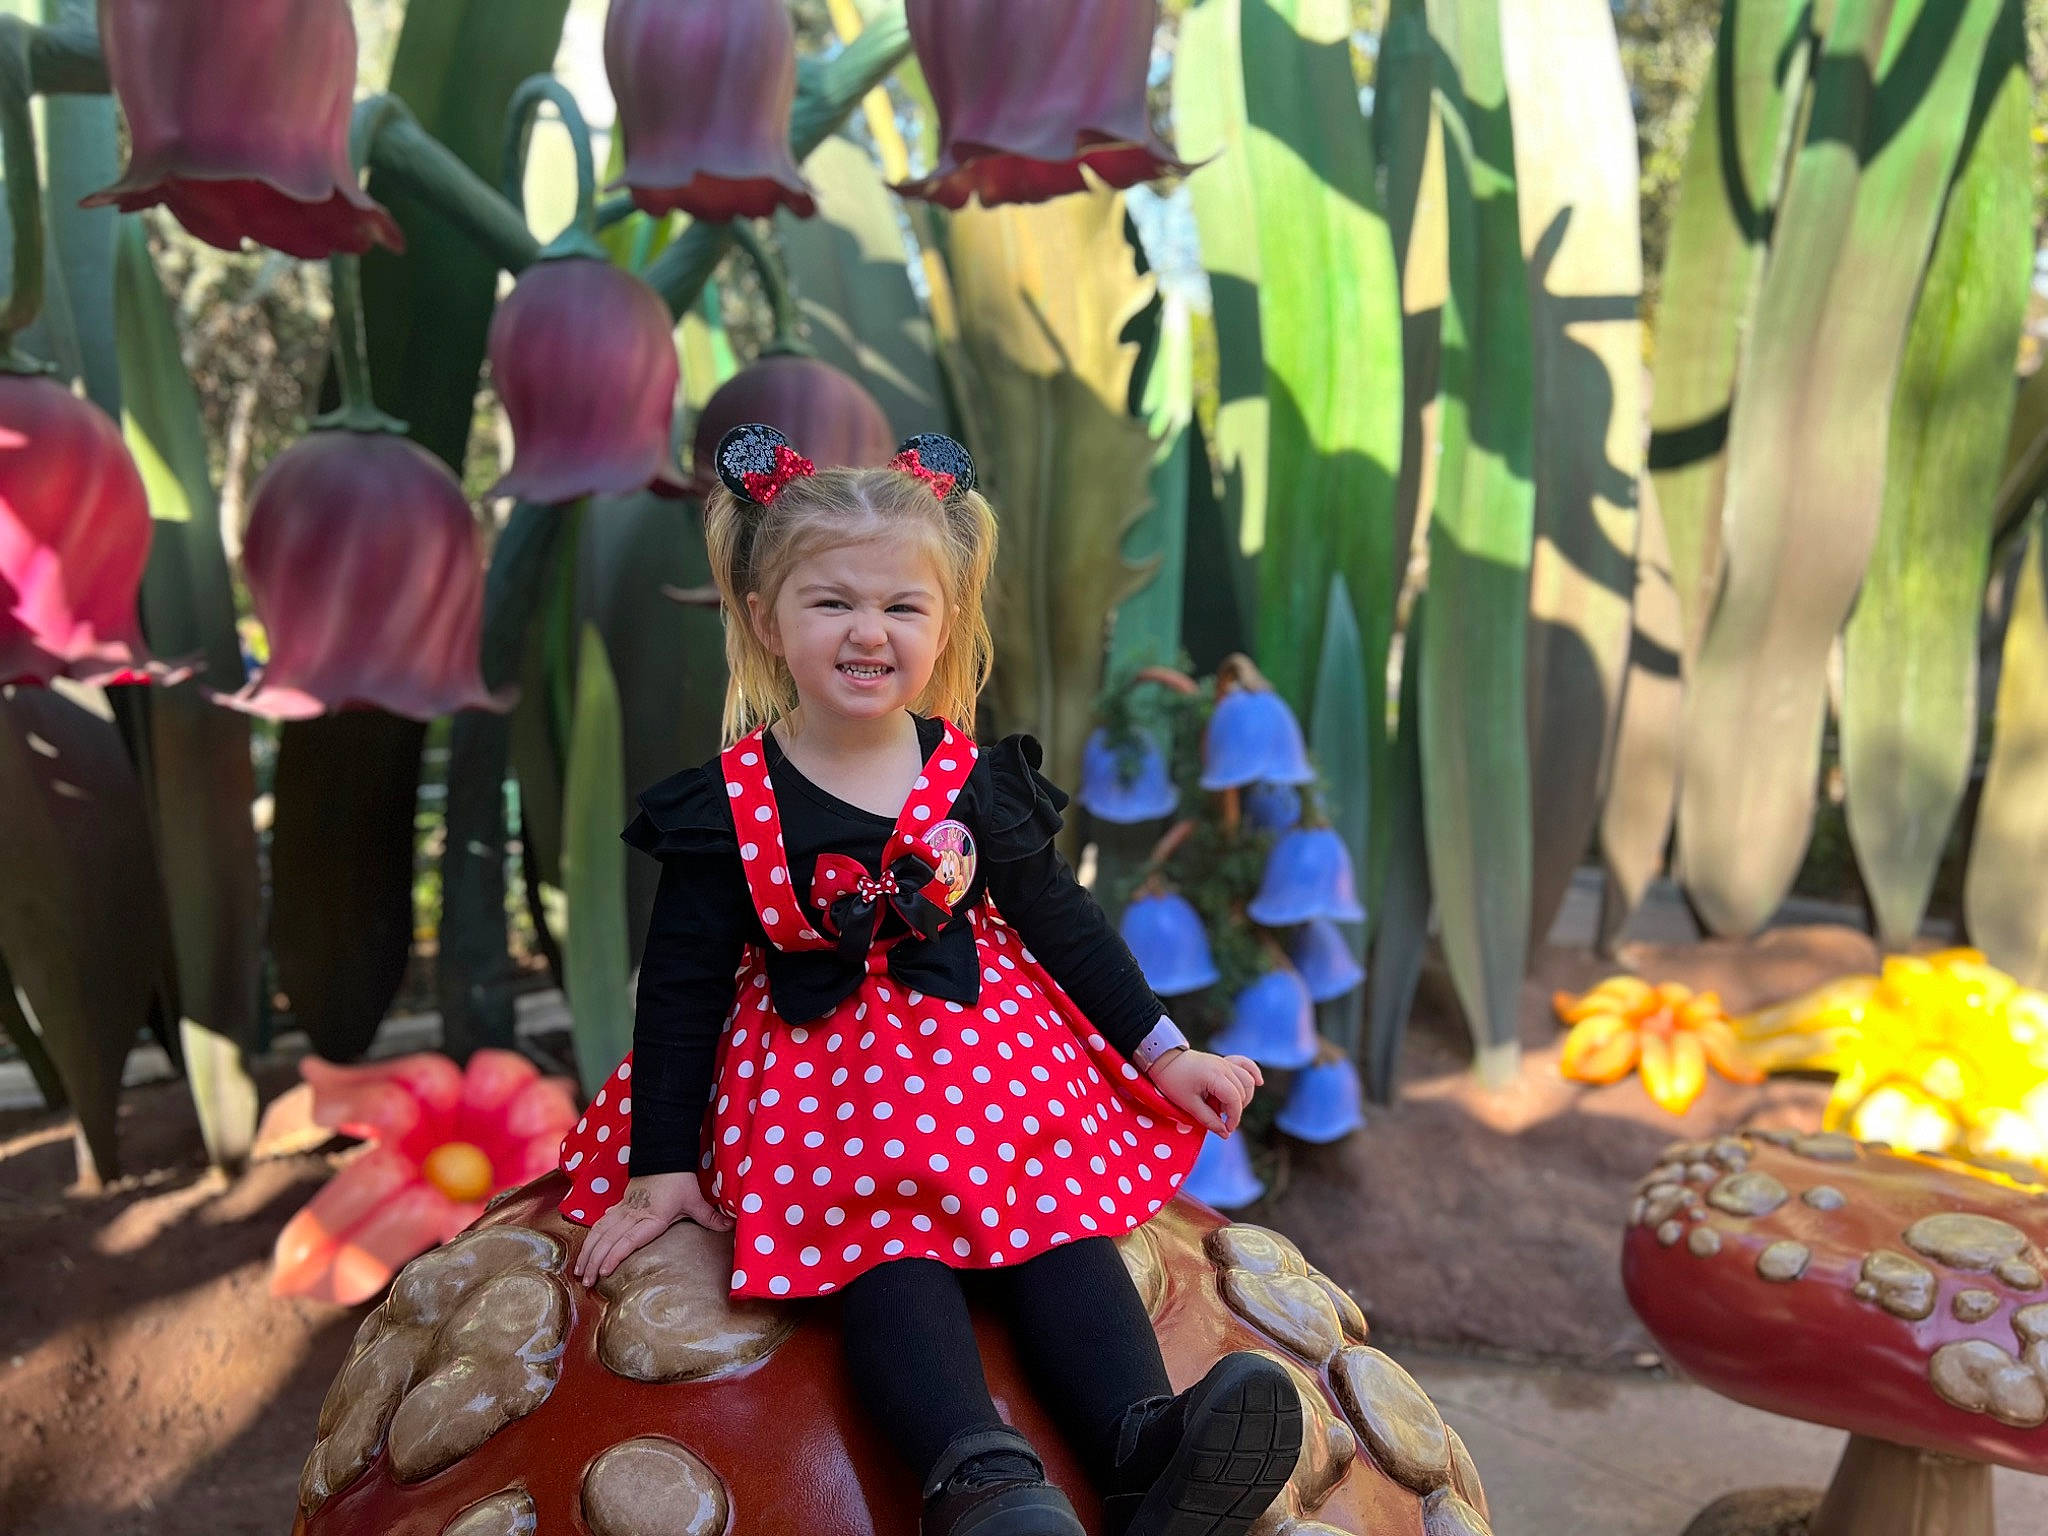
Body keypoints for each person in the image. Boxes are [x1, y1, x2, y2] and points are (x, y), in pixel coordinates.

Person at [557, 425, 1303, 1536]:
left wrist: (1164, 1051)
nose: (869, 631)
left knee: (1061, 1231)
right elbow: (679, 991)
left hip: (991, 1076)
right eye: (831, 602)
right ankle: (980, 1480)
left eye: (902, 606)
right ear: (764, 619)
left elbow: (1064, 925)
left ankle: (1144, 1449)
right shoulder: (727, 805)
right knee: (884, 1253)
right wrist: (661, 1167)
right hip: (822, 1096)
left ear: (945, 624)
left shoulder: (972, 779)